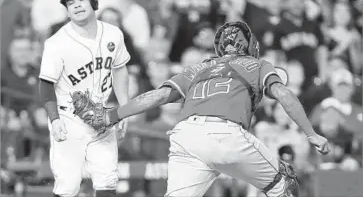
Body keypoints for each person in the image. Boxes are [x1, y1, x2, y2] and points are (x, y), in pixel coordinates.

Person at [107, 21, 330, 196]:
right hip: (226, 135)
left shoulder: (198, 68)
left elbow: (158, 96)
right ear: (250, 45)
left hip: (185, 137)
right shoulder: (258, 64)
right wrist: (311, 134)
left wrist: (112, 115)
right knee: (285, 183)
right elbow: (284, 94)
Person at [38, 0, 130, 197]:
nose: (77, 5)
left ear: (93, 1)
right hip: (69, 119)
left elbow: (119, 69)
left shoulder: (113, 34)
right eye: (71, 2)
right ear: (67, 10)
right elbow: (45, 83)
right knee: (68, 186)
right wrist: (54, 118)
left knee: (107, 180)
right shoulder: (56, 43)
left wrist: (124, 108)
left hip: (102, 116)